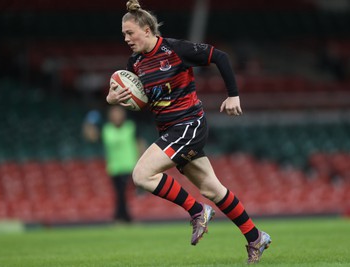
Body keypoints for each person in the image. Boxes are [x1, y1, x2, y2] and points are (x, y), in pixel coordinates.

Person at [106, 0, 271, 264]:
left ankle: (197, 211)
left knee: (141, 175)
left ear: (147, 30)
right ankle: (256, 237)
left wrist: (233, 96)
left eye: (130, 32)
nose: (125, 38)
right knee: (213, 189)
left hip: (189, 125)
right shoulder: (135, 63)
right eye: (123, 33)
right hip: (170, 130)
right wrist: (114, 100)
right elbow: (146, 100)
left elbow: (221, 56)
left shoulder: (175, 49)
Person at [83, 106, 143, 223]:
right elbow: (91, 137)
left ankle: (121, 217)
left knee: (123, 194)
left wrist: (141, 161)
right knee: (120, 194)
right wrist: (88, 123)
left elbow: (139, 144)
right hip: (114, 168)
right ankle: (123, 218)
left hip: (130, 166)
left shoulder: (131, 127)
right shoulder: (106, 129)